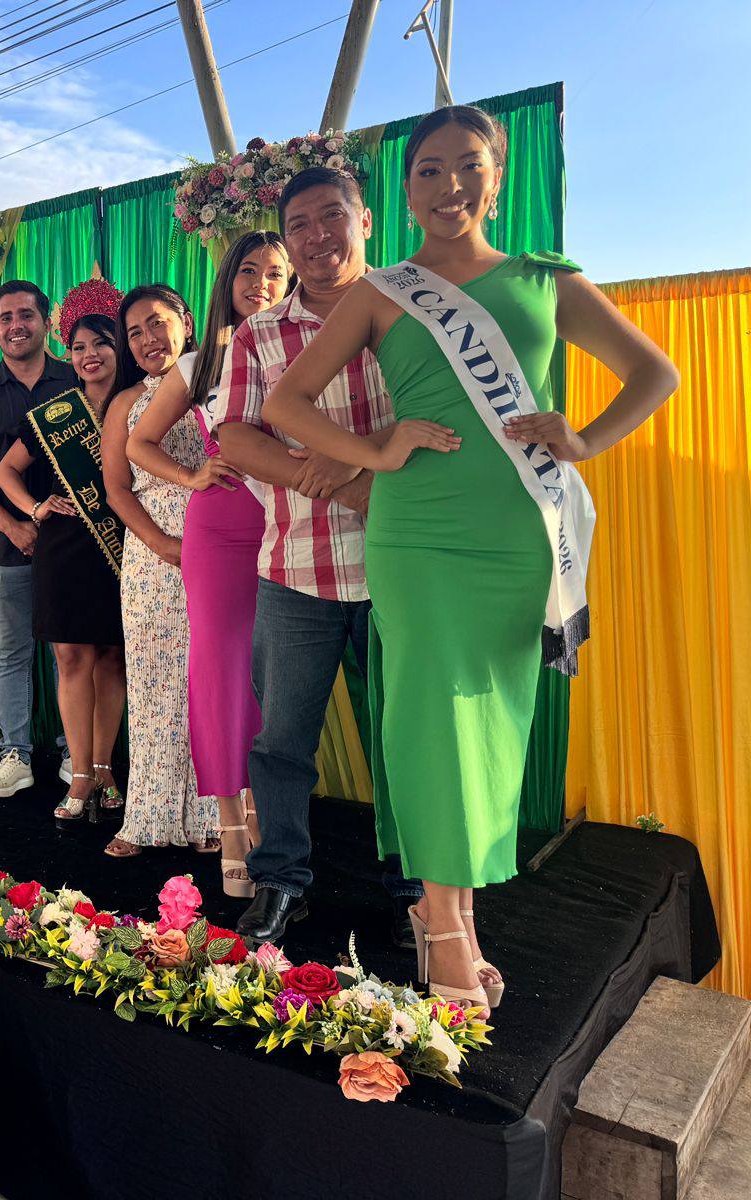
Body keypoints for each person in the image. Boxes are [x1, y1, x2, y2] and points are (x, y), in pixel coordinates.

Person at [260, 107, 677, 1010]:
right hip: (419, 534)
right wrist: (376, 452)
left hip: (517, 533)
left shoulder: (545, 279)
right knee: (433, 715)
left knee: (492, 721)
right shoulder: (384, 292)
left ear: (497, 178)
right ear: (405, 191)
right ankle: (446, 924)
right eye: (429, 170)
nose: (450, 185)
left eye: (469, 166)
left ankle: (447, 912)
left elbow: (657, 374)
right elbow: (285, 404)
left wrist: (583, 438)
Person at [214, 165, 422, 948]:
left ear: (365, 220)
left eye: (332, 215)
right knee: (281, 742)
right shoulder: (259, 334)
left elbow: (445, 424)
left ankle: (416, 887)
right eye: (298, 224)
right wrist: (324, 475)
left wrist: (363, 478)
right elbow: (236, 437)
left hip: (403, 565)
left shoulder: (414, 311)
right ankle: (281, 881)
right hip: (296, 569)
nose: (316, 236)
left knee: (406, 738)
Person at [126, 233, 292, 893]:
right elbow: (139, 444)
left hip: (296, 522)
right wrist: (191, 476)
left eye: (275, 272)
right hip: (221, 526)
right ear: (227, 282)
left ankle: (269, 815)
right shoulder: (200, 364)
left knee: (277, 678)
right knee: (220, 671)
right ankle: (231, 823)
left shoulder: (308, 347)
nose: (261, 283)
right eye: (248, 270)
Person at [0, 287, 126, 827]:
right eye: (78, 347)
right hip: (65, 548)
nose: (89, 354)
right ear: (68, 355)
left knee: (113, 657)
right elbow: (3, 470)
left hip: (124, 545)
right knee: (71, 658)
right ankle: (80, 775)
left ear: (119, 347)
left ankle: (105, 768)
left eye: (101, 343)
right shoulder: (55, 414)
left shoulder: (139, 402)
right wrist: (35, 508)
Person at [0, 280, 81, 798]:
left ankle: (77, 753)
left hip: (76, 545)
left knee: (73, 652)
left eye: (26, 314)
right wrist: (14, 526)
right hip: (5, 547)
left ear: (46, 322)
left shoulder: (76, 377)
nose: (15, 325)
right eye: (5, 317)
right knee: (13, 653)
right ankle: (16, 755)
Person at [99, 284, 213, 857]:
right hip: (152, 557)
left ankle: (214, 818)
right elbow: (117, 489)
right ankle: (147, 818)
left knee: (215, 682)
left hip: (222, 547)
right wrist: (162, 543)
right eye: (134, 332)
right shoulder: (125, 403)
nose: (147, 339)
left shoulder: (218, 382)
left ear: (186, 323)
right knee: (153, 686)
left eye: (157, 323)